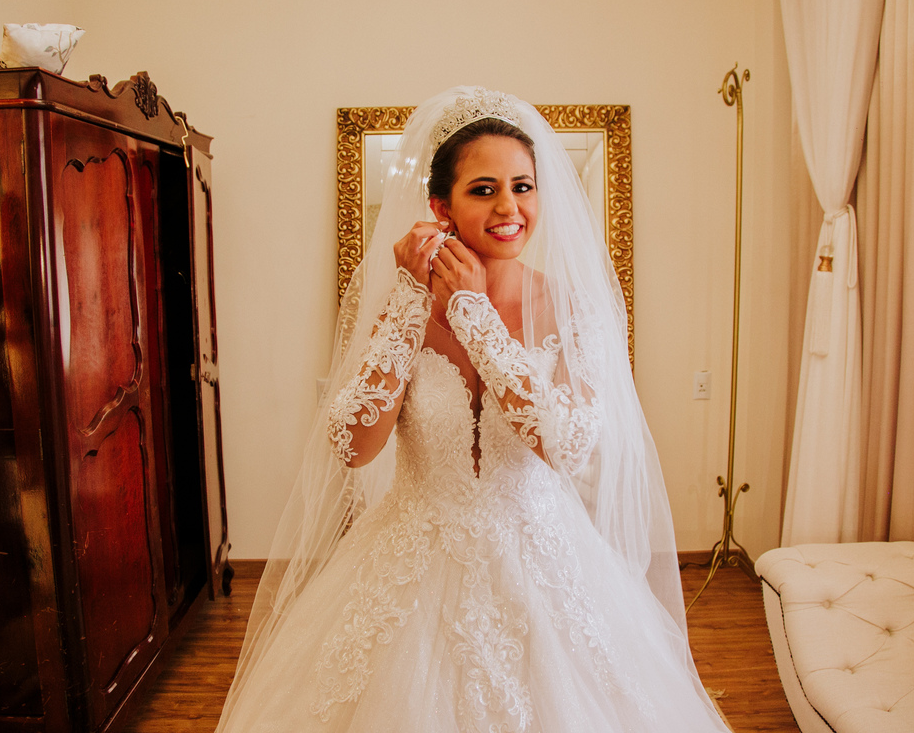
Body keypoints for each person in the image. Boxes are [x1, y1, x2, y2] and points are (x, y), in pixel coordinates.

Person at [216, 87, 728, 732]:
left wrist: (473, 314)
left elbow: (566, 446)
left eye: (523, 186)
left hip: (543, 562)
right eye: (484, 190)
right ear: (441, 208)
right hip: (408, 563)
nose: (509, 207)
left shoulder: (573, 309)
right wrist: (413, 302)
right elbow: (353, 447)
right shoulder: (403, 306)